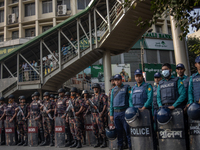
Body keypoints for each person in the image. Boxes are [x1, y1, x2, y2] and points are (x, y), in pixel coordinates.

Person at [110, 74, 132, 150]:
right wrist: (111, 114)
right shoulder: (113, 90)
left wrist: (130, 110)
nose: (117, 81)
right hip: (116, 113)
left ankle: (130, 145)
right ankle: (120, 145)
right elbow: (111, 103)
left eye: (118, 80)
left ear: (121, 80)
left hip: (124, 112)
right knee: (118, 131)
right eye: (115, 80)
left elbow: (130, 99)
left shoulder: (127, 87)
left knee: (127, 130)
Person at [86, 83, 108, 148]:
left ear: (98, 88)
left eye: (96, 88)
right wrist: (88, 103)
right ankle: (98, 141)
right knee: (94, 129)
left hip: (99, 114)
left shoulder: (102, 96)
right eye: (93, 88)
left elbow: (105, 105)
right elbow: (90, 105)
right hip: (93, 114)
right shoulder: (92, 97)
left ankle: (104, 142)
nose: (94, 89)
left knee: (101, 129)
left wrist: (102, 113)